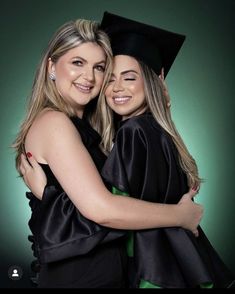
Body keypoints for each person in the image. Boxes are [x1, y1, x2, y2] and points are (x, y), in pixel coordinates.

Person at [14, 18, 203, 288]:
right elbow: (101, 209)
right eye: (77, 63)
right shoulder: (53, 123)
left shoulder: (94, 129)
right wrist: (182, 216)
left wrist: (161, 103)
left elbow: (136, 192)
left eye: (99, 67)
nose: (89, 77)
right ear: (52, 67)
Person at [96, 12, 235, 288]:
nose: (117, 88)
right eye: (110, 79)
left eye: (130, 78)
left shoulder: (133, 133)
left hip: (151, 264)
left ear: (152, 81)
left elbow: (112, 210)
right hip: (183, 258)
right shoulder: (161, 132)